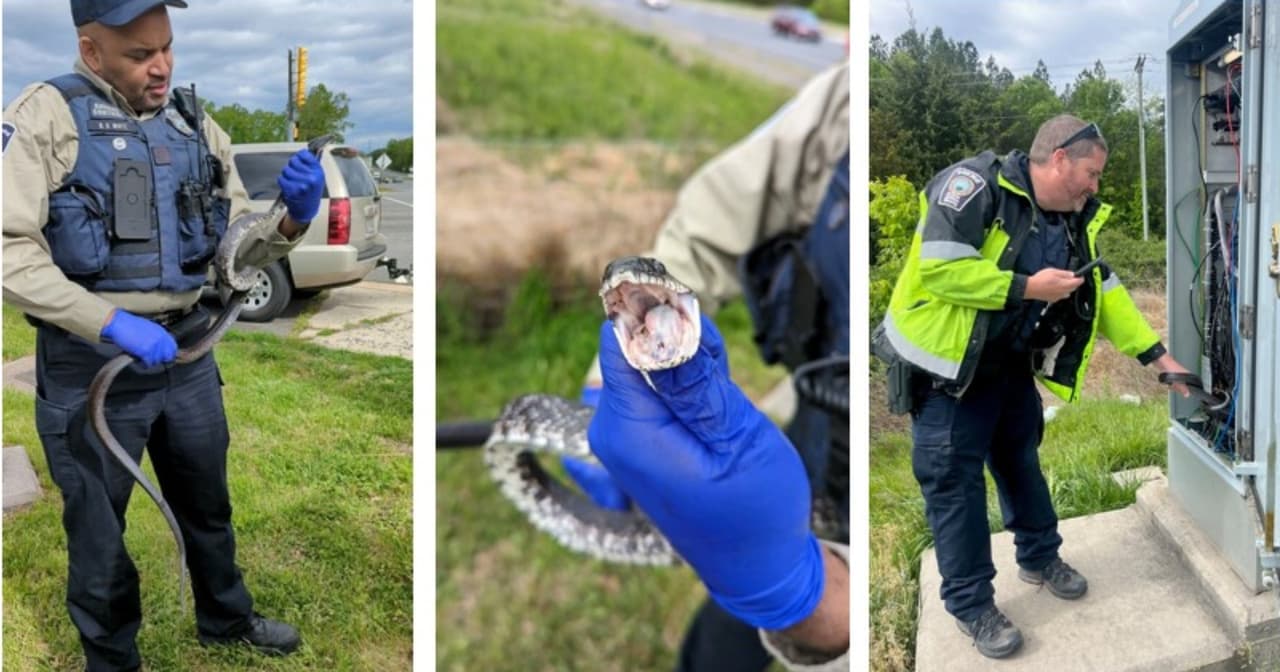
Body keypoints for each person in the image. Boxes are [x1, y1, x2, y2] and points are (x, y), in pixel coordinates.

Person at [2, 1, 326, 669]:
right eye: (140, 55)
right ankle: (112, 658)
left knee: (208, 504)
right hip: (90, 365)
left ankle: (225, 619)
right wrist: (108, 320)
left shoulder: (193, 124)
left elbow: (236, 250)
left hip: (188, 355)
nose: (162, 67)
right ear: (92, 52)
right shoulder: (43, 117)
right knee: (98, 531)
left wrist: (289, 222)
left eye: (167, 48)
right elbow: (8, 249)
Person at [565, 60, 850, 671]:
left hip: (853, 466)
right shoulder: (843, 101)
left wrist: (809, 603)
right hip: (814, 436)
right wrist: (601, 382)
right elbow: (701, 235)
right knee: (721, 647)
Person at [874, 114, 1192, 659]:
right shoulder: (972, 187)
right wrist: (1026, 287)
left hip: (1006, 366)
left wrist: (1160, 358)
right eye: (1091, 173)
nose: (1096, 186)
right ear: (1060, 158)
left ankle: (1040, 557)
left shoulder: (1070, 220)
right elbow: (939, 270)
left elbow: (1103, 291)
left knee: (1021, 461)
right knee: (956, 488)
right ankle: (972, 606)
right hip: (948, 372)